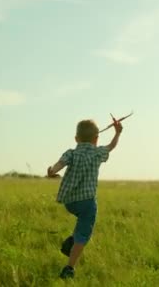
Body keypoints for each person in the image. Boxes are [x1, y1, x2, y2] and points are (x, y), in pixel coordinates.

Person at [47, 117, 123, 279]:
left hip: (69, 202)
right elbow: (111, 147)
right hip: (87, 202)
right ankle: (69, 267)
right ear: (96, 139)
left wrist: (52, 171)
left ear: (76, 139)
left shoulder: (71, 153)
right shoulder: (97, 153)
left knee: (81, 223)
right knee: (84, 232)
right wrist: (117, 133)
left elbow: (59, 164)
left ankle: (71, 241)